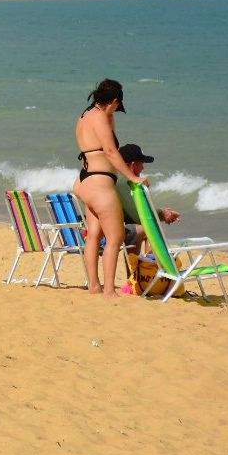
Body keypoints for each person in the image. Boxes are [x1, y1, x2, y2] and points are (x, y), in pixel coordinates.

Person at [72, 78, 144, 297]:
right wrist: (133, 177)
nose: (116, 111)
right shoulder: (100, 118)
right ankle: (110, 290)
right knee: (116, 237)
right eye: (116, 106)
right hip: (100, 183)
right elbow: (111, 152)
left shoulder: (85, 116)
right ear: (112, 101)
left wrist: (110, 116)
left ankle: (94, 285)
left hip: (85, 181)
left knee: (93, 234)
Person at [115, 143, 181, 252]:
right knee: (148, 228)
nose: (143, 168)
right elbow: (140, 216)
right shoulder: (124, 181)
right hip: (112, 232)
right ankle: (146, 267)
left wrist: (162, 214)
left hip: (115, 227)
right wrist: (163, 214)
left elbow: (134, 214)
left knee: (146, 227)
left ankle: (143, 266)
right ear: (132, 165)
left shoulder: (118, 178)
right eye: (141, 164)